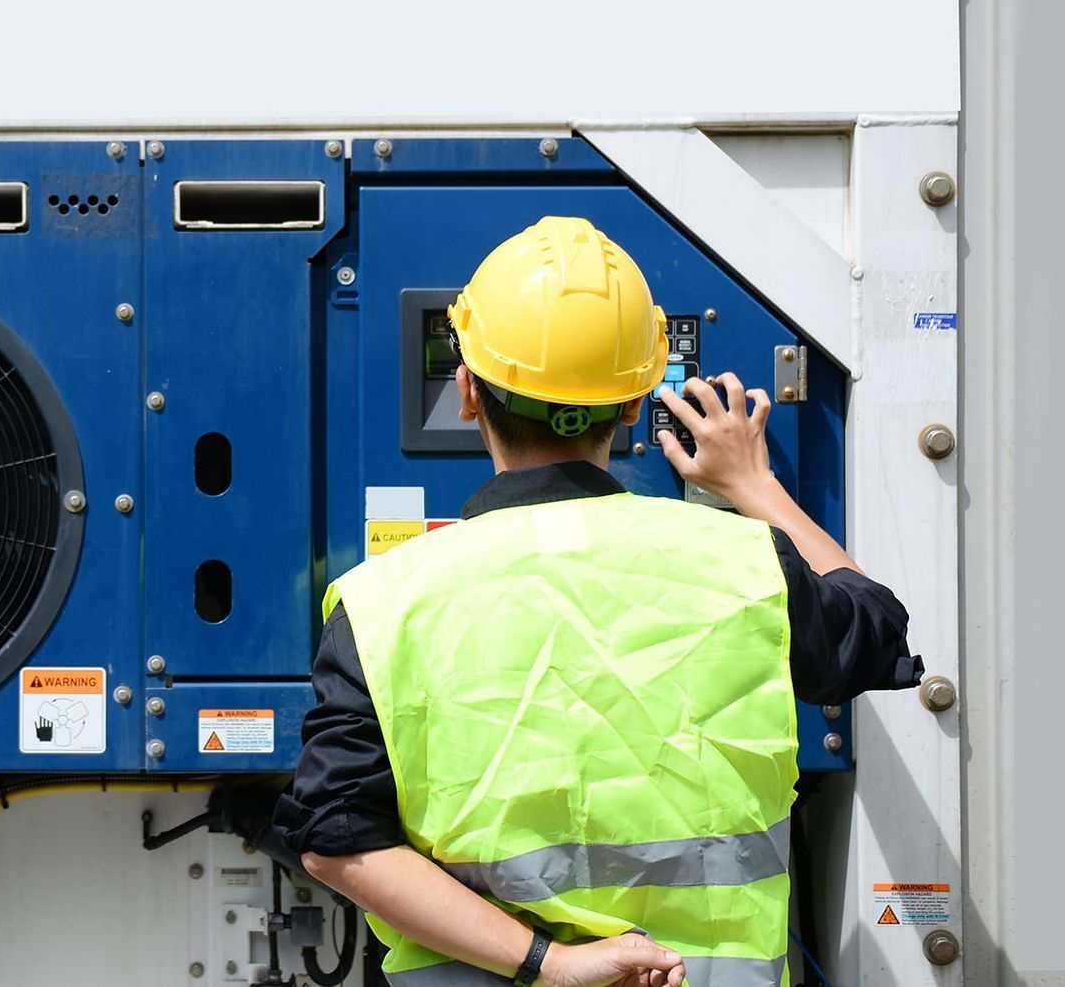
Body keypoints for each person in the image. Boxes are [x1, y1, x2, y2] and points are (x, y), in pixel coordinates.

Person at [274, 217, 921, 987]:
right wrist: (753, 485)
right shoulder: (745, 567)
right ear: (634, 402)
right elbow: (876, 627)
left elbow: (336, 839)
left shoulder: (384, 605)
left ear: (469, 392)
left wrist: (550, 963)